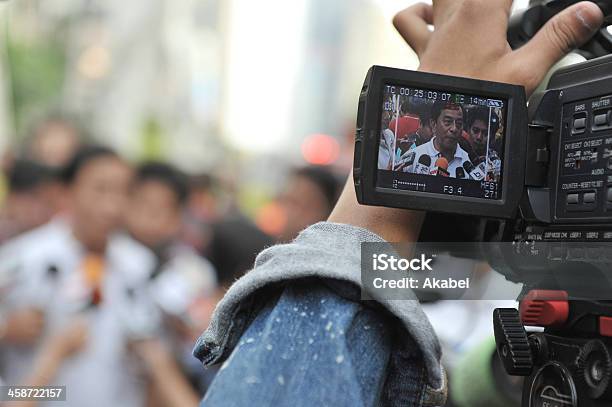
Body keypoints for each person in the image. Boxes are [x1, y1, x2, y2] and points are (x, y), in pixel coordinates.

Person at [195, 1, 604, 406]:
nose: (457, 129)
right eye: (449, 120)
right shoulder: (412, 157)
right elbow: (472, 378)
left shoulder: (477, 165)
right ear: (430, 125)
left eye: (462, 123)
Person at [0, 145, 160, 407]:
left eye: (124, 192)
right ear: (66, 192)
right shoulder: (23, 259)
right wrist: (5, 328)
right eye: (101, 190)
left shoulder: (139, 266)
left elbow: (154, 366)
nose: (113, 206)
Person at [408, 100, 471, 176]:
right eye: (447, 122)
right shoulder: (413, 157)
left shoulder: (469, 164)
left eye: (459, 123)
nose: (454, 129)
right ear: (433, 124)